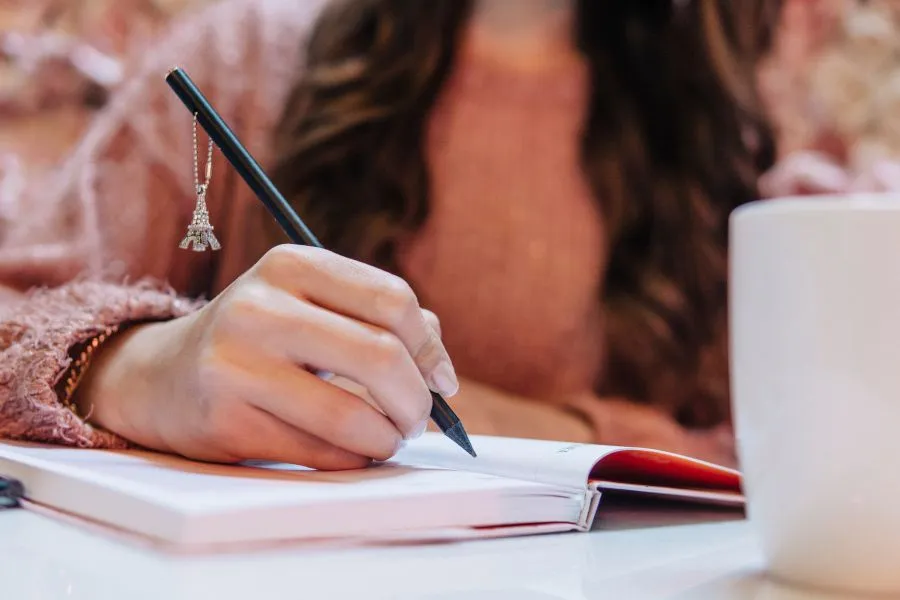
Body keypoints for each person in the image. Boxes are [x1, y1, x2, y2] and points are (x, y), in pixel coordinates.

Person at [0, 0, 893, 470]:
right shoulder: (243, 59)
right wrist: (136, 369)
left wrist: (528, 424)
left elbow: (807, 445)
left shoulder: (746, 145)